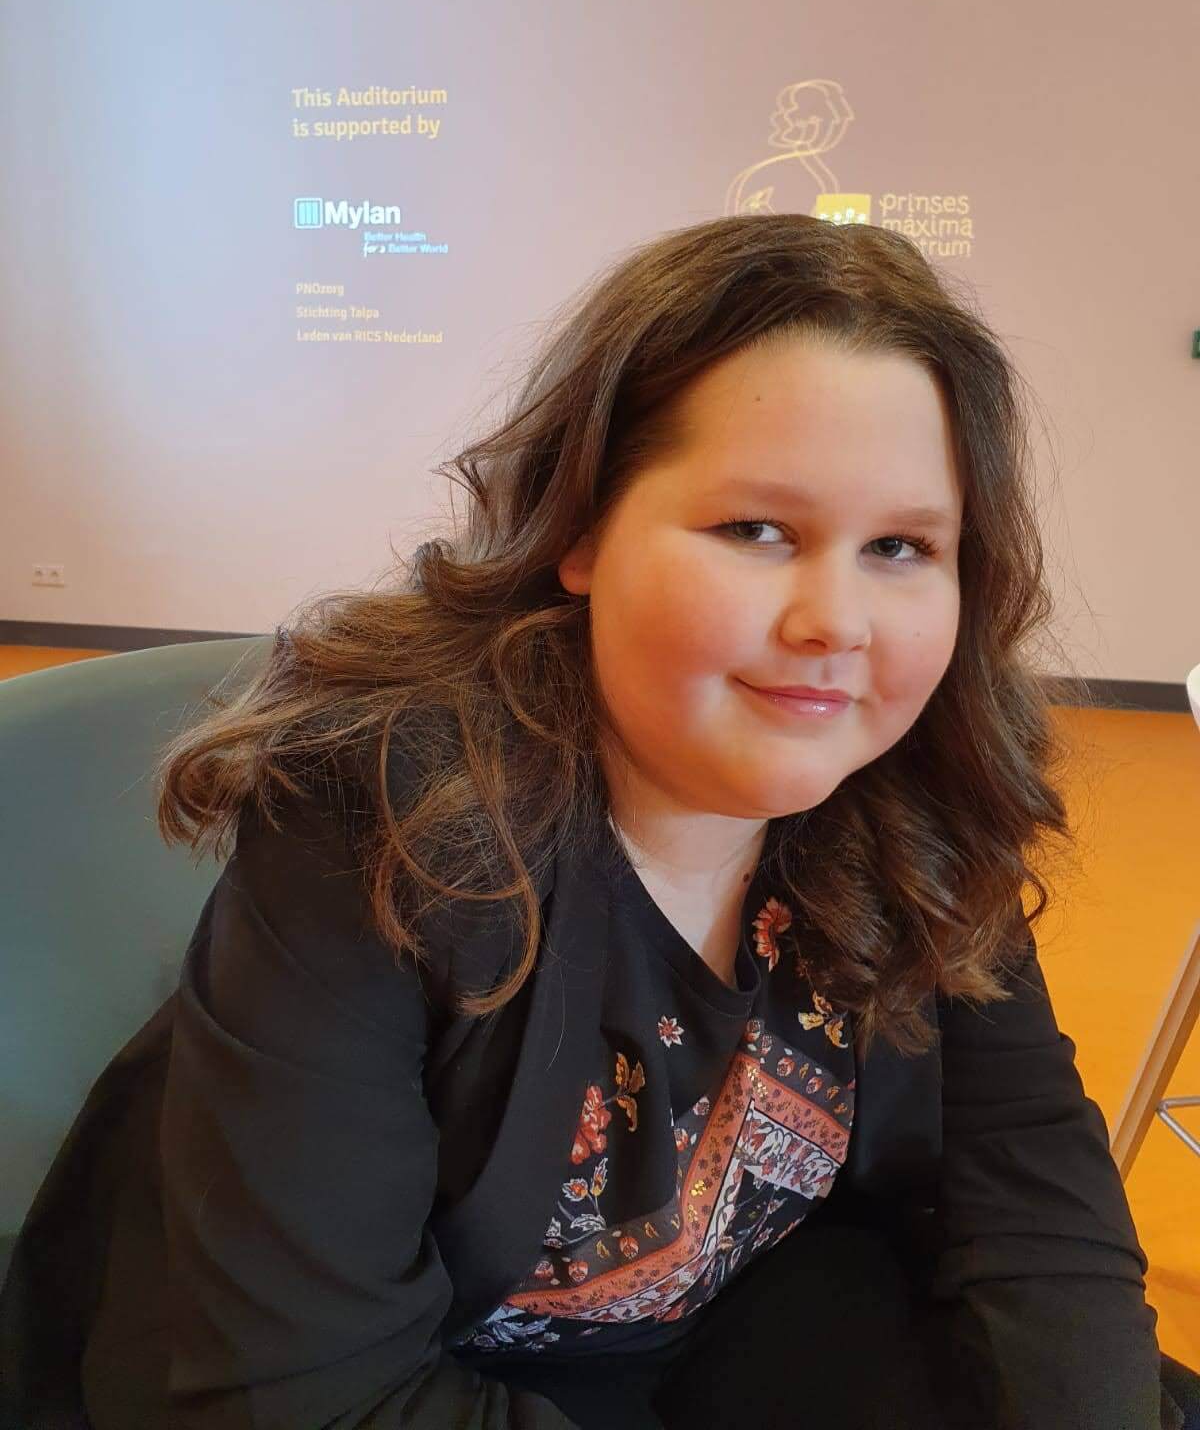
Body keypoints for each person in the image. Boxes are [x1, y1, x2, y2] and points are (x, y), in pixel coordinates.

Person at [2, 214, 1197, 1430]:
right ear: (581, 528)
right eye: (757, 530)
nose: (837, 621)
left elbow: (1029, 1182)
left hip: (726, 1327)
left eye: (902, 545)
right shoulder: (385, 821)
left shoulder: (912, 797)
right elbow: (306, 1397)